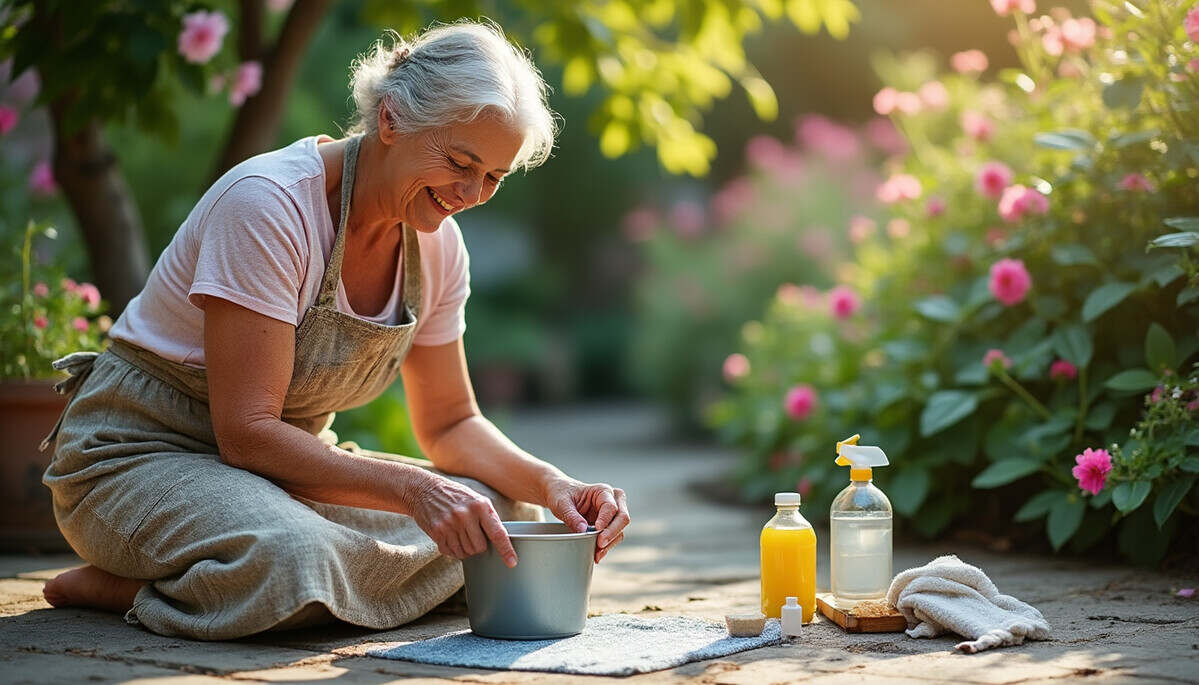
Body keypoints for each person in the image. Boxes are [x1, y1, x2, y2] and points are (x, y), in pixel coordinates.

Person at [38, 20, 630, 640]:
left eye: (494, 177)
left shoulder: (438, 246)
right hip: (139, 462)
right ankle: (134, 587)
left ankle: (246, 583)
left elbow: (451, 423)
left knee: (507, 517)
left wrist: (557, 484)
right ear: (392, 119)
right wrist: (416, 491)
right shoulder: (270, 206)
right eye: (460, 162)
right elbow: (246, 434)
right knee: (292, 557)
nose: (472, 193)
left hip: (278, 479)